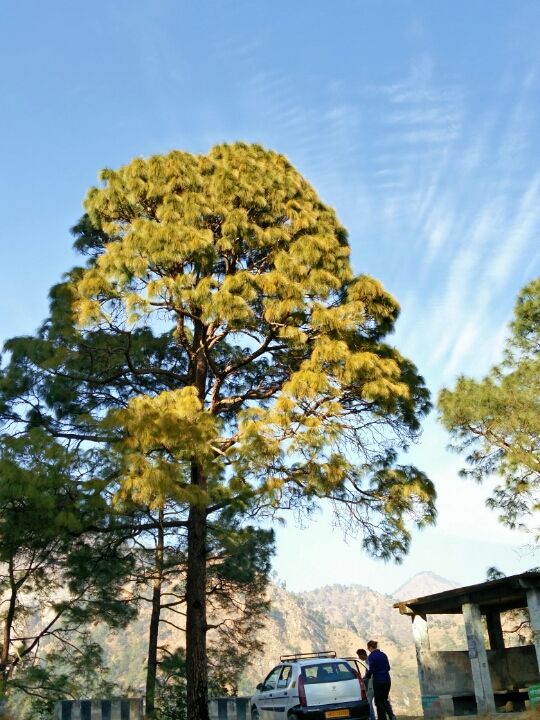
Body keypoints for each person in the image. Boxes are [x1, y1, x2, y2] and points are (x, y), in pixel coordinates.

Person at [364, 640, 395, 720]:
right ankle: (392, 716)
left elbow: (372, 669)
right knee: (385, 699)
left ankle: (382, 718)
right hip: (387, 680)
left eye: (368, 648)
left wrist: (367, 676)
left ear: (370, 647)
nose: (368, 649)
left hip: (378, 681)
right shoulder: (383, 655)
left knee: (378, 701)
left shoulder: (371, 656)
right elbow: (388, 667)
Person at [356, 648, 376, 720]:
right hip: (373, 683)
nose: (359, 657)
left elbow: (370, 672)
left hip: (371, 683)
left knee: (369, 702)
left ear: (362, 655)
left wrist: (364, 678)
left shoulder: (368, 661)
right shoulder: (368, 660)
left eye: (359, 656)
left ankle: (372, 718)